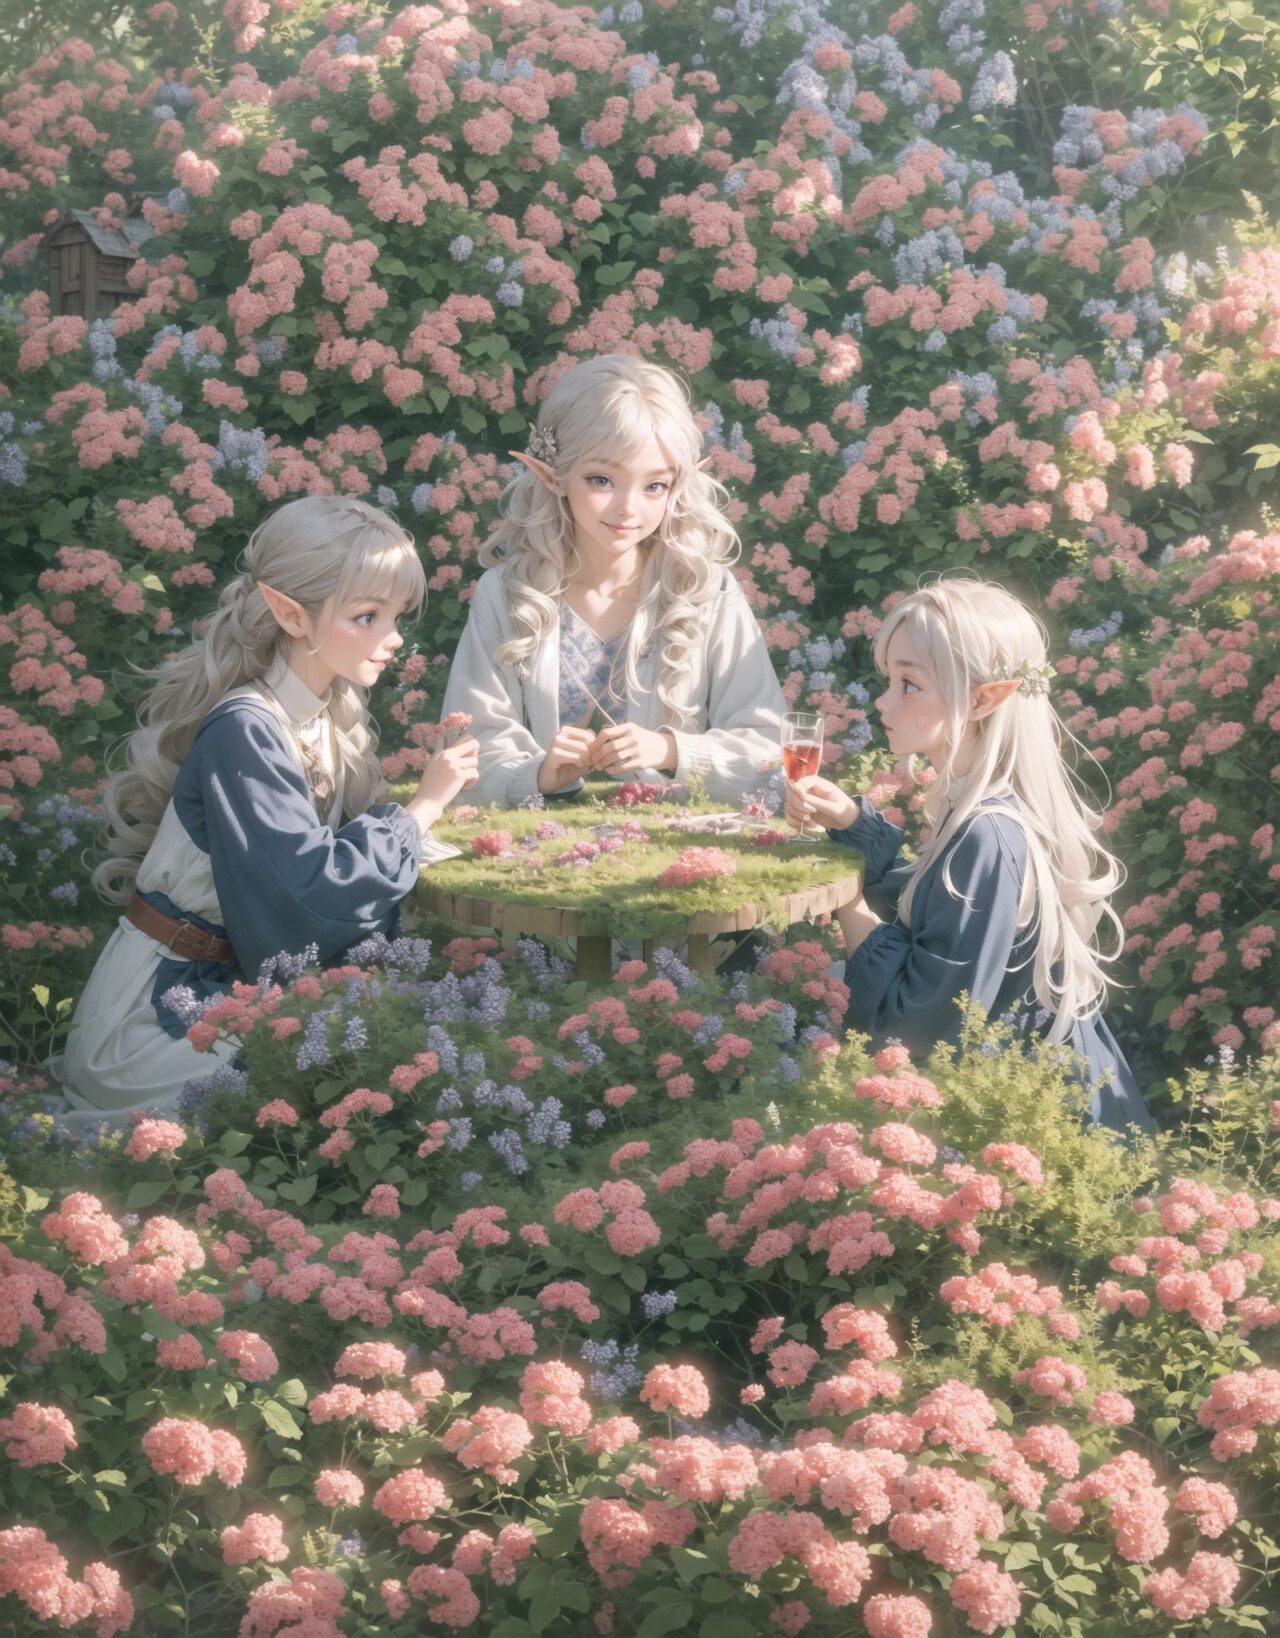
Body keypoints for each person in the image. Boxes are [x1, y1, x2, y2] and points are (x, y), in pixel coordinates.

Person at [55, 496, 478, 1133]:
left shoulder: (325, 716)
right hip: (152, 1015)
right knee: (320, 1094)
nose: (393, 639)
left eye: (395, 617)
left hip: (225, 986)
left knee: (389, 1063)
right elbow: (307, 893)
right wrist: (422, 809)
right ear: (290, 613)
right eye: (368, 616)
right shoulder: (245, 730)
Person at [784, 577, 1155, 1134]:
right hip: (1028, 1102)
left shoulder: (989, 834)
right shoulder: (986, 811)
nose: (883, 701)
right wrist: (853, 825)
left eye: (909, 684)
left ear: (983, 699)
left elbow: (916, 1026)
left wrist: (845, 896)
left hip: (1042, 1130)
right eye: (890, 680)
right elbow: (929, 914)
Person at [440, 353, 785, 807]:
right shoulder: (506, 594)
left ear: (678, 487)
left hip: (679, 861)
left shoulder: (707, 591)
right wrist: (538, 772)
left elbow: (774, 754)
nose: (628, 508)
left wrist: (671, 750)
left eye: (654, 486)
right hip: (533, 862)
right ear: (554, 475)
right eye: (602, 480)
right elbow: (466, 750)